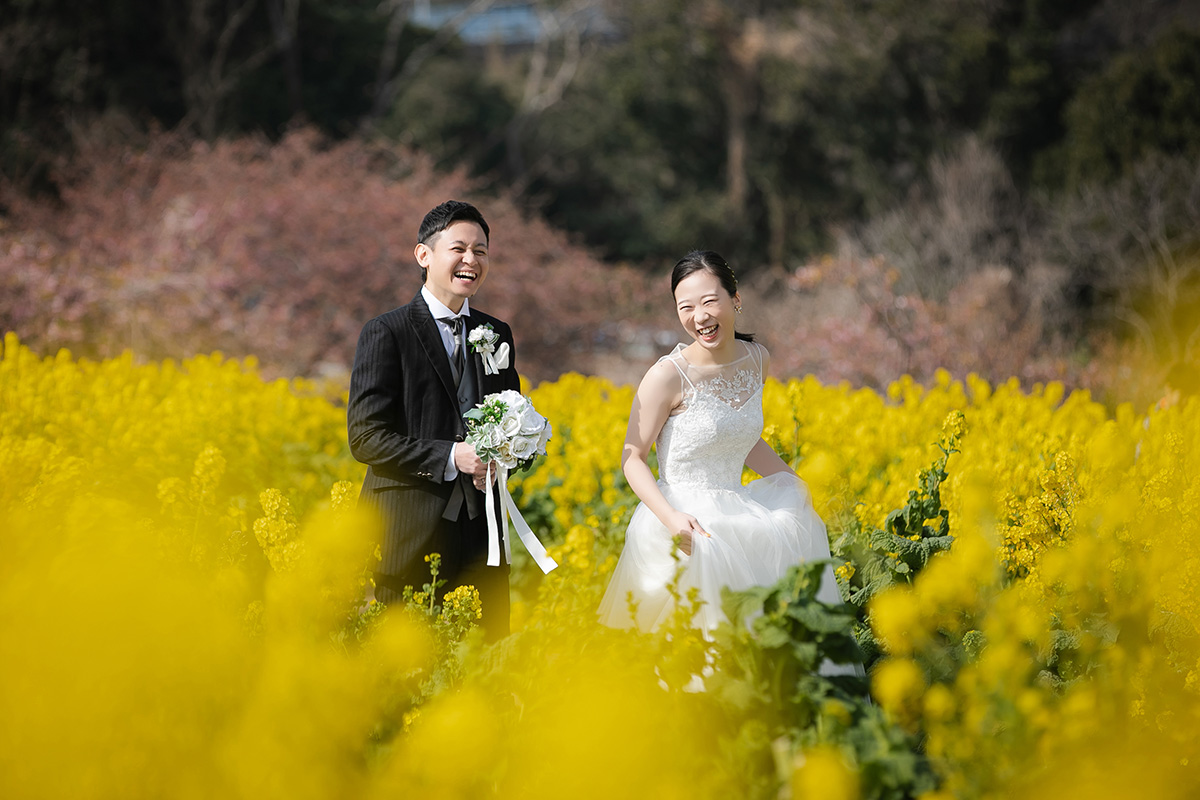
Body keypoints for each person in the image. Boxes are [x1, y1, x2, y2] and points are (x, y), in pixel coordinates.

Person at [598, 250, 845, 635]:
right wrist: (671, 519)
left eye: (710, 301)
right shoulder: (666, 376)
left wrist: (794, 480)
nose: (699, 316)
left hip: (738, 513)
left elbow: (742, 440)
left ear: (736, 299)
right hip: (682, 519)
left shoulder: (757, 359)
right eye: (686, 307)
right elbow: (633, 459)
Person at [348, 200, 520, 641]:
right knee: (403, 675)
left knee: (482, 672)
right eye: (459, 248)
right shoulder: (387, 332)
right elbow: (366, 438)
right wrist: (452, 456)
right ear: (424, 255)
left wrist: (509, 456)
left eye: (481, 251)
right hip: (407, 533)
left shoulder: (496, 334)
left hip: (481, 534)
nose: (471, 260)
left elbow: (512, 422)